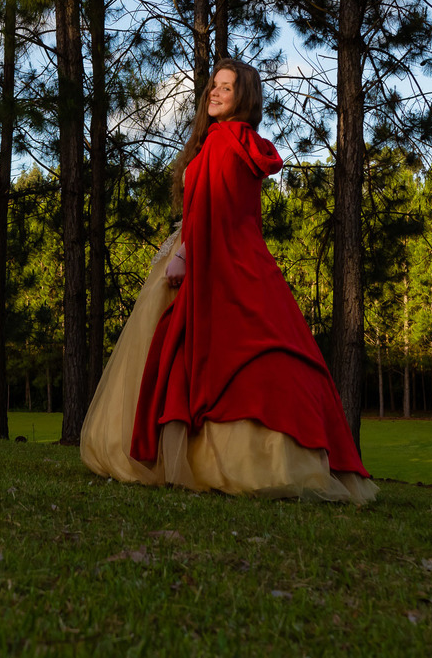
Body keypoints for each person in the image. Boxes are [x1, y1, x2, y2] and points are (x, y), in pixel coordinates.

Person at [80, 59, 377, 502]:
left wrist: (184, 254)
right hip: (239, 256)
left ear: (245, 98)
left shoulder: (222, 143)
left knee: (202, 353)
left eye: (226, 88)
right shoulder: (238, 144)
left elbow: (215, 208)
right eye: (212, 86)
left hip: (209, 255)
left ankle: (231, 464)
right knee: (247, 348)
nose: (214, 93)